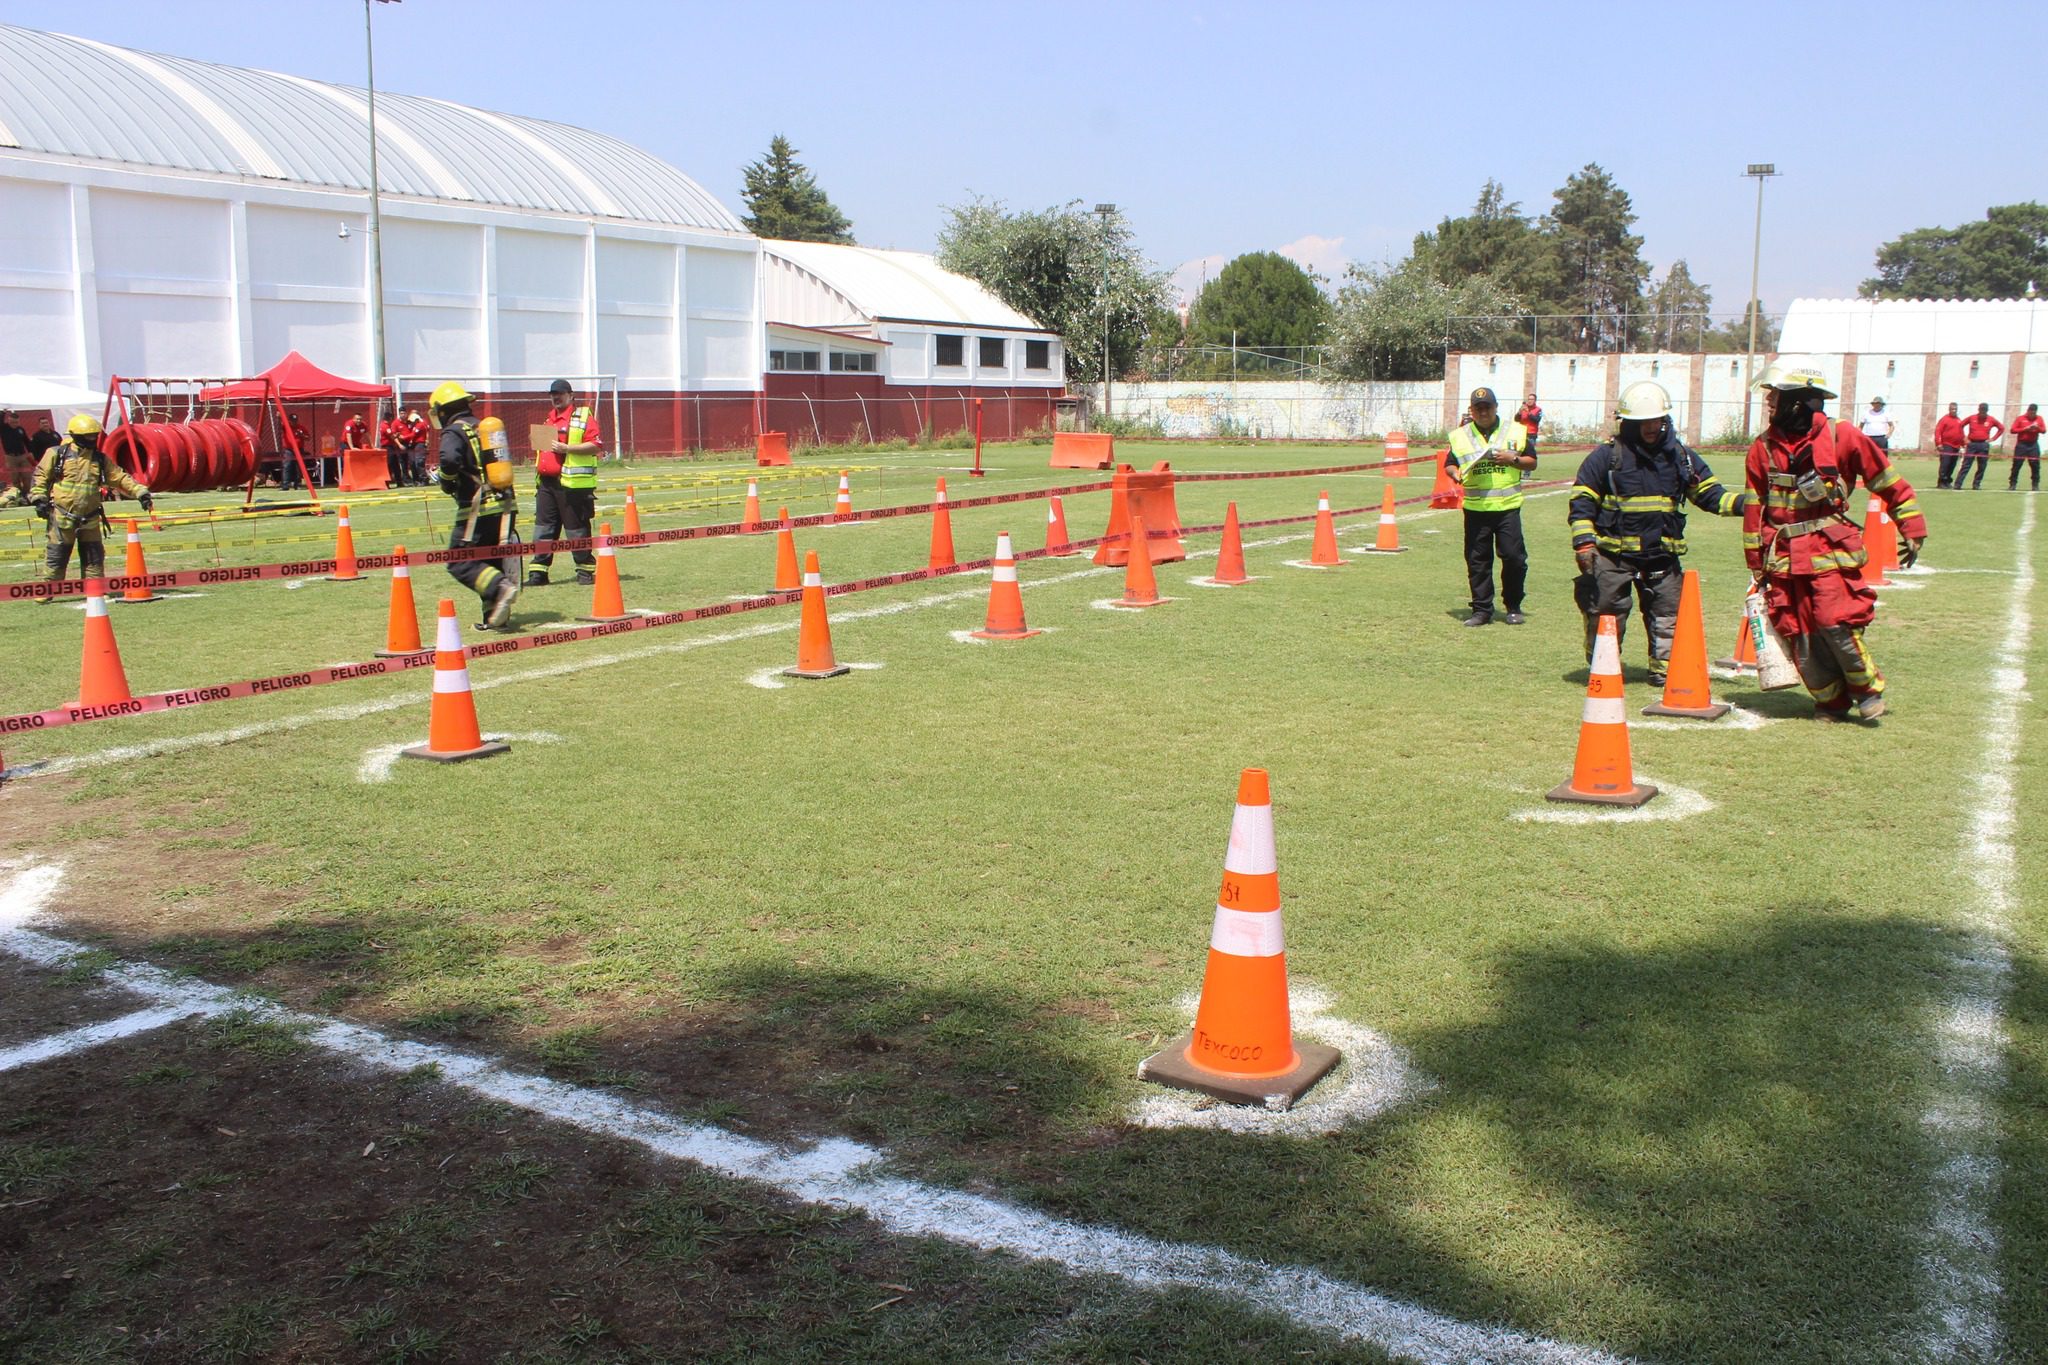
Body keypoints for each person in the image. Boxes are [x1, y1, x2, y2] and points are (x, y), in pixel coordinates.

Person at [1742, 364, 1926, 721]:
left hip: (1828, 550)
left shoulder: (1843, 436)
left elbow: (1888, 481)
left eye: (1775, 395)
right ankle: (1830, 700)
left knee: (1834, 619)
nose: (1768, 402)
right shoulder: (1762, 448)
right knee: (1798, 630)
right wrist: (1756, 561)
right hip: (1782, 558)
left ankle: (1867, 690)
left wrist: (1912, 527)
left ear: (1796, 402)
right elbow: (1755, 508)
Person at [1568, 381, 1747, 685]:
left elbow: (1710, 495)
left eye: (1657, 420)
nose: (1652, 427)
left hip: (1662, 558)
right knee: (1606, 613)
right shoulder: (1605, 458)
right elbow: (1582, 502)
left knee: (1668, 617)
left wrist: (1751, 505)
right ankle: (1603, 663)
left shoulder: (1680, 457)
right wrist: (1584, 543)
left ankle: (1664, 671)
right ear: (1628, 423)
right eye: (1643, 422)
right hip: (1614, 556)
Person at [430, 381, 520, 629]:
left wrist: (447, 482)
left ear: (443, 410)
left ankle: (500, 588)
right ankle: (494, 617)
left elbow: (449, 460)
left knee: (459, 561)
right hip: (505, 505)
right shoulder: (484, 428)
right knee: (489, 561)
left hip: (478, 508)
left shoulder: (454, 431)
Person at [29, 414, 153, 592]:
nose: (92, 439)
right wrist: (39, 499)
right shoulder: (56, 454)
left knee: (93, 556)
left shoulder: (100, 459)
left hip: (91, 518)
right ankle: (47, 590)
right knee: (57, 556)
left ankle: (94, 590)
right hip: (62, 517)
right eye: (88, 436)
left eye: (94, 435)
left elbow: (119, 477)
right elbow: (40, 476)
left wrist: (141, 492)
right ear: (76, 435)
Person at [1446, 386, 1535, 626]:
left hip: (1507, 507)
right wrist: (1455, 474)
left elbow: (1532, 462)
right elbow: (1450, 464)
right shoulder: (1460, 435)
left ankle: (1513, 606)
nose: (1483, 412)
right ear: (1471, 410)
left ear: (1496, 407)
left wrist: (1512, 459)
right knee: (1478, 561)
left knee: (1514, 558)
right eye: (1478, 408)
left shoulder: (1515, 431)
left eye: (1487, 407)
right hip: (1476, 508)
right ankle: (1482, 610)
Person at [525, 379, 604, 587]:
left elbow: (596, 445)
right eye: (552, 394)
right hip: (546, 484)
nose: (555, 397)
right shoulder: (549, 419)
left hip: (571, 485)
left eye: (559, 393)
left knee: (576, 529)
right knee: (543, 529)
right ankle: (538, 572)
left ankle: (585, 571)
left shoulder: (582, 416)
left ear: (571, 395)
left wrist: (567, 448)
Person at [1959, 402, 2003, 490]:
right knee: (1966, 465)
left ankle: (1976, 484)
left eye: (1984, 410)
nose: (1983, 412)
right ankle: (1958, 484)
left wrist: (1993, 439)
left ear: (1987, 410)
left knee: (1982, 466)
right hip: (1972, 444)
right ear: (1979, 410)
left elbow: (2001, 428)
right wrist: (1964, 438)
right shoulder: (1972, 418)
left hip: (1983, 444)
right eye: (1981, 410)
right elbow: (1960, 425)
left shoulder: (1991, 419)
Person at [2009, 403, 2043, 491]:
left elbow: (2044, 430)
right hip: (2021, 444)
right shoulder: (2020, 418)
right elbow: (2013, 430)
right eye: (2030, 412)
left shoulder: (2039, 418)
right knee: (2017, 464)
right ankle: (2012, 484)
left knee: (2035, 465)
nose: (2032, 414)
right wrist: (2025, 429)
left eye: (2034, 412)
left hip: (2033, 444)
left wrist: (2037, 428)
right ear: (2028, 411)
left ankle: (2035, 485)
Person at [1933, 402, 1965, 489]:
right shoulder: (1944, 419)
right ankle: (1941, 482)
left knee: (1952, 464)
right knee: (1945, 464)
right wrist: (1938, 443)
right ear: (1949, 409)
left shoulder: (1959, 420)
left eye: (1955, 409)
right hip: (1947, 445)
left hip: (1956, 446)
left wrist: (1963, 444)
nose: (1954, 411)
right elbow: (1938, 431)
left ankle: (1947, 481)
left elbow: (1961, 433)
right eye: (1952, 409)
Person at [1, 410, 30, 495]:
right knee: (15, 477)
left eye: (16, 422)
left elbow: (26, 441)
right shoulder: (4, 428)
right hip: (10, 457)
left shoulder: (20, 429)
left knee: (27, 476)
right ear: (9, 420)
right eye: (12, 422)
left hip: (22, 455)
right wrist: (2, 413)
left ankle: (26, 493)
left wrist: (30, 452)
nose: (14, 424)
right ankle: (18, 494)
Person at [403, 409, 432, 486]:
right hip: (417, 445)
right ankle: (421, 479)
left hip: (420, 444)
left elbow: (413, 435)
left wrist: (403, 437)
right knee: (416, 462)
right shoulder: (419, 424)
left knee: (419, 462)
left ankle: (424, 479)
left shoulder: (420, 425)